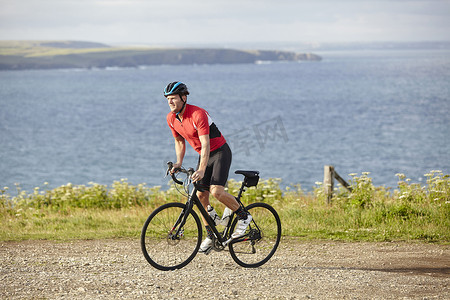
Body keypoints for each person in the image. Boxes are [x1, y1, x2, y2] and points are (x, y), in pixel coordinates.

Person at [164, 81, 252, 255]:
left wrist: (202, 169)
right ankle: (211, 235)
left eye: (173, 98)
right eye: (168, 99)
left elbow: (205, 145)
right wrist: (178, 163)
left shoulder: (198, 114)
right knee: (200, 195)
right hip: (204, 155)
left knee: (216, 192)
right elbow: (179, 141)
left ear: (184, 97)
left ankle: (244, 215)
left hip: (219, 152)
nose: (170, 102)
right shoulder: (171, 118)